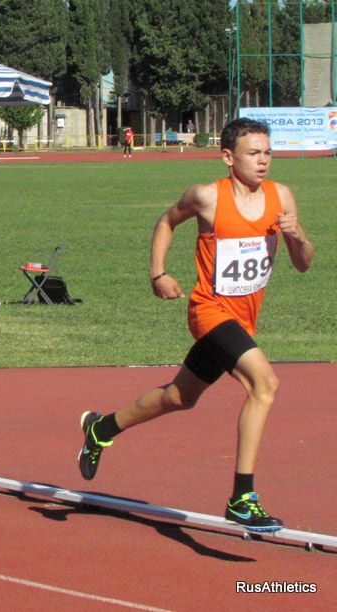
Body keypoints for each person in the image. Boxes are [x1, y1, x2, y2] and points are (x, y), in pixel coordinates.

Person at [77, 118, 314, 533]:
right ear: (228, 158)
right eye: (253, 153)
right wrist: (158, 273)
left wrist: (297, 237)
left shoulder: (281, 197)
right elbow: (166, 221)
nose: (263, 161)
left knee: (179, 397)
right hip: (208, 310)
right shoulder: (206, 197)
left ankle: (102, 427)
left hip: (243, 321)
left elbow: (303, 264)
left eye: (268, 153)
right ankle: (242, 498)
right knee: (264, 384)